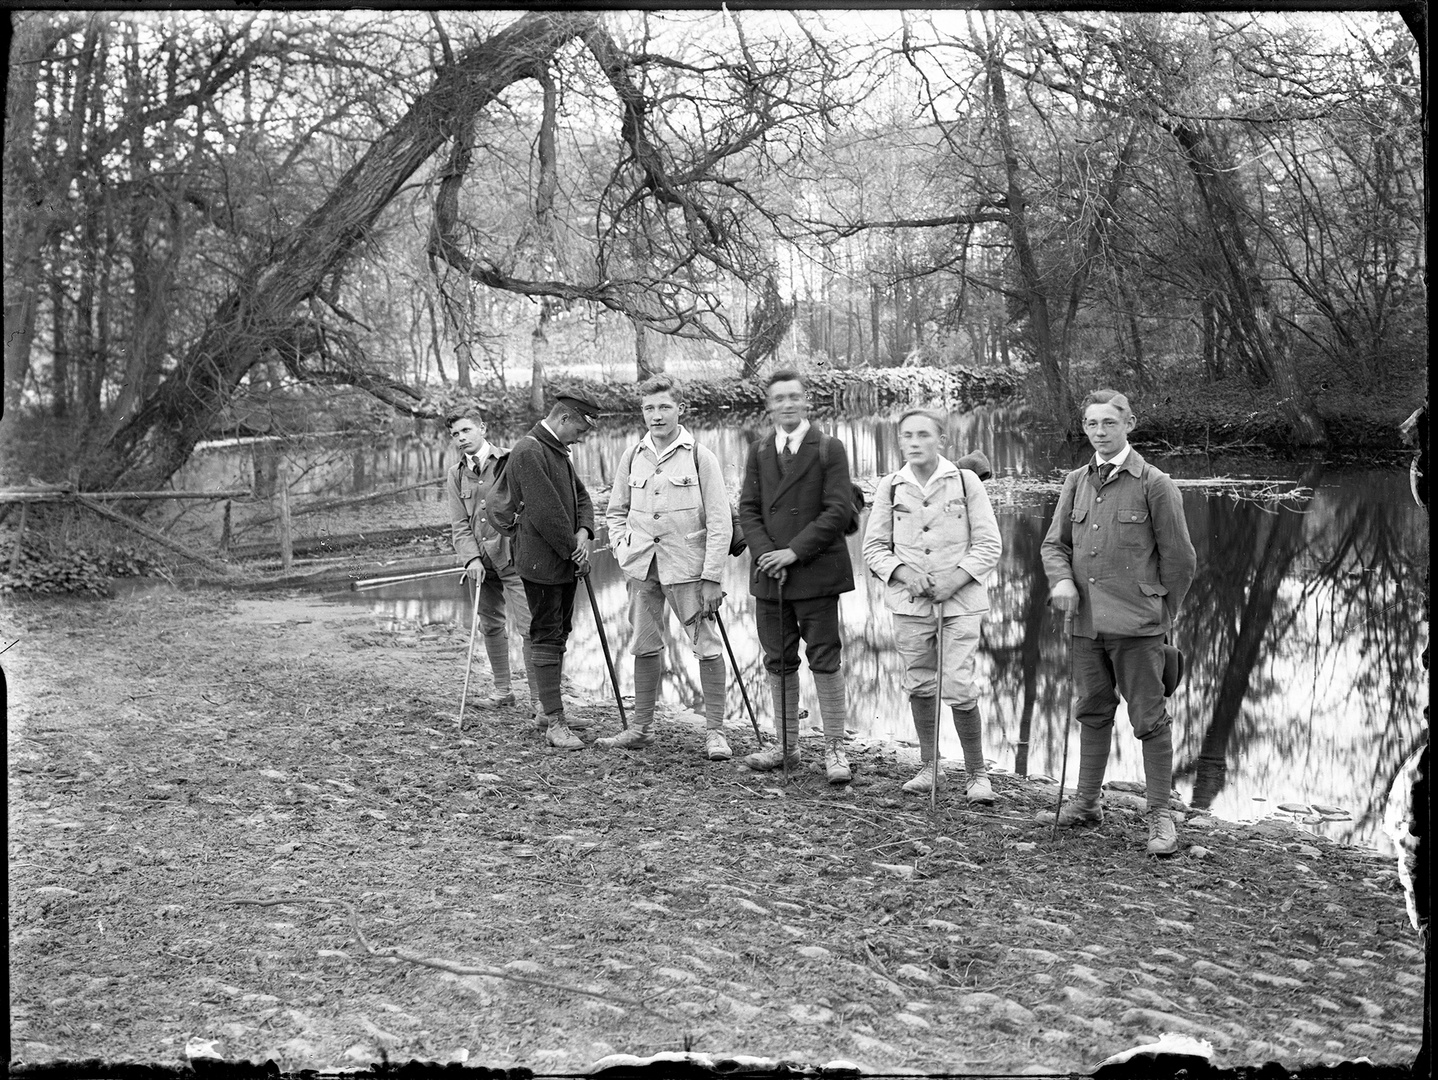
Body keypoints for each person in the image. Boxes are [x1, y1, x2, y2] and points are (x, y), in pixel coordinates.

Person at [1041, 388, 1197, 856]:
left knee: (1149, 719)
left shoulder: (1155, 483)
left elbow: (1181, 561)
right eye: (1091, 424)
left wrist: (1161, 614)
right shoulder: (1075, 481)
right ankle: (1087, 803)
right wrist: (1062, 582)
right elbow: (1055, 546)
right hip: (1085, 625)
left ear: (1129, 424)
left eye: (1109, 423)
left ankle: (1160, 817)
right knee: (1092, 710)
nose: (1100, 433)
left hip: (1138, 627)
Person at [862, 409, 1003, 803]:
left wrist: (953, 580)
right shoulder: (891, 486)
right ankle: (929, 766)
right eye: (907, 436)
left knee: (958, 682)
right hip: (910, 605)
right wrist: (905, 574)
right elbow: (873, 548)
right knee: (920, 681)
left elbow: (989, 544)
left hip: (960, 604)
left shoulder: (965, 480)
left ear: (942, 440)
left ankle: (977, 774)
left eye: (923, 435)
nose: (914, 443)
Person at [597, 377, 734, 758]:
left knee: (706, 646)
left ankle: (716, 733)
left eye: (664, 408)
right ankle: (641, 728)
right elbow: (616, 512)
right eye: (648, 408)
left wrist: (711, 577)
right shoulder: (631, 455)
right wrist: (625, 551)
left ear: (681, 410)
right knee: (643, 644)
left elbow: (720, 522)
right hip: (643, 570)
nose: (656, 416)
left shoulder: (700, 457)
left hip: (688, 570)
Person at [737, 369, 856, 784]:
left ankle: (835, 748)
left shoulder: (829, 448)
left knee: (824, 657)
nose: (787, 404)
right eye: (779, 398)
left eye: (795, 397)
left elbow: (838, 510)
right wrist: (767, 553)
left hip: (815, 572)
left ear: (807, 402)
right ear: (768, 406)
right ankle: (786, 746)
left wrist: (794, 551)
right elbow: (748, 509)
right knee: (778, 659)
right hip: (770, 575)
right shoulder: (758, 451)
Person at [495, 393, 601, 751]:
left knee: (561, 631)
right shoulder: (529, 450)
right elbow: (545, 514)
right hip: (542, 562)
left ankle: (549, 708)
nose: (580, 437)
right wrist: (575, 551)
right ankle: (553, 721)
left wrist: (585, 534)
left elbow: (582, 498)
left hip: (565, 559)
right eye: (580, 429)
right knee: (546, 633)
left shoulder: (556, 450)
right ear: (564, 418)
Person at [444, 407, 540, 715]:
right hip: (480, 565)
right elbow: (459, 523)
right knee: (491, 625)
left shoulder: (511, 461)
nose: (461, 438)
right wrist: (471, 558)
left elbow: (531, 507)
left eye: (466, 431)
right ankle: (503, 691)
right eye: (455, 434)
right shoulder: (456, 474)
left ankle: (541, 701)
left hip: (514, 559)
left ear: (482, 428)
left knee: (531, 628)